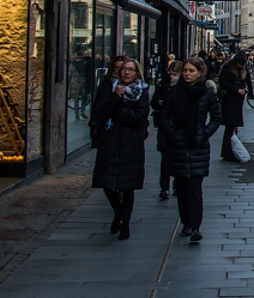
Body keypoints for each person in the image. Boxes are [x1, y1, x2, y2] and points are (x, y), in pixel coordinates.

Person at [161, 57, 221, 242]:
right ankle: (186, 223)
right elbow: (163, 117)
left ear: (199, 72)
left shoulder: (207, 93)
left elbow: (217, 117)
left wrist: (204, 134)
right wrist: (173, 134)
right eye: (185, 70)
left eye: (191, 71)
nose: (187, 74)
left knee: (195, 187)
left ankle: (195, 226)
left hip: (198, 146)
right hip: (178, 145)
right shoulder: (174, 92)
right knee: (182, 186)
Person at [90, 58, 151, 240]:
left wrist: (117, 111)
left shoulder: (142, 92)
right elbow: (99, 111)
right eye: (124, 69)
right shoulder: (109, 88)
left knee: (127, 186)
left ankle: (125, 224)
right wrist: (115, 98)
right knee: (107, 185)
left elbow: (140, 117)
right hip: (109, 141)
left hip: (131, 143)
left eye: (131, 70)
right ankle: (119, 214)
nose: (126, 72)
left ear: (136, 73)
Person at [150, 60, 183, 200]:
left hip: (177, 126)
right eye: (170, 73)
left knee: (177, 159)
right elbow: (153, 102)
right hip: (164, 127)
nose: (171, 76)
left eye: (174, 74)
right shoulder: (163, 84)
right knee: (165, 159)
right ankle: (164, 187)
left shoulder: (182, 87)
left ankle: (176, 185)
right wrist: (158, 103)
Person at [217, 52, 253, 162]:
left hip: (237, 99)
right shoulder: (227, 67)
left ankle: (229, 151)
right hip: (229, 99)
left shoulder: (242, 68)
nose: (240, 65)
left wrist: (250, 91)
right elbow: (223, 82)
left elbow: (248, 80)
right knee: (230, 125)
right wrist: (236, 89)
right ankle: (228, 152)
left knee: (232, 126)